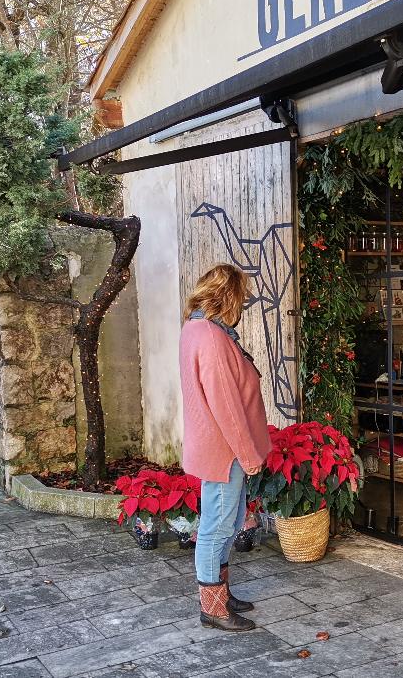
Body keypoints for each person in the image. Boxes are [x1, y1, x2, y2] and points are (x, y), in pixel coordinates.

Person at [179, 264, 272, 633]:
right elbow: (227, 405)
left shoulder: (196, 329)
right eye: (242, 295)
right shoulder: (212, 336)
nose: (245, 302)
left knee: (229, 521)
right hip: (226, 450)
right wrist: (248, 456)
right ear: (230, 297)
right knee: (218, 526)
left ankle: (222, 591)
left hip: (218, 447)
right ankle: (213, 608)